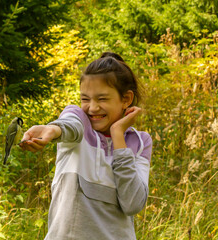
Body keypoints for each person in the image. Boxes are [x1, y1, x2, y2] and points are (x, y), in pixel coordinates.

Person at [19, 52, 152, 239]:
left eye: (102, 99)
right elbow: (69, 124)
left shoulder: (140, 142)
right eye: (85, 99)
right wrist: (52, 130)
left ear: (126, 99)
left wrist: (118, 136)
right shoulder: (79, 121)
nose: (92, 107)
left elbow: (133, 204)